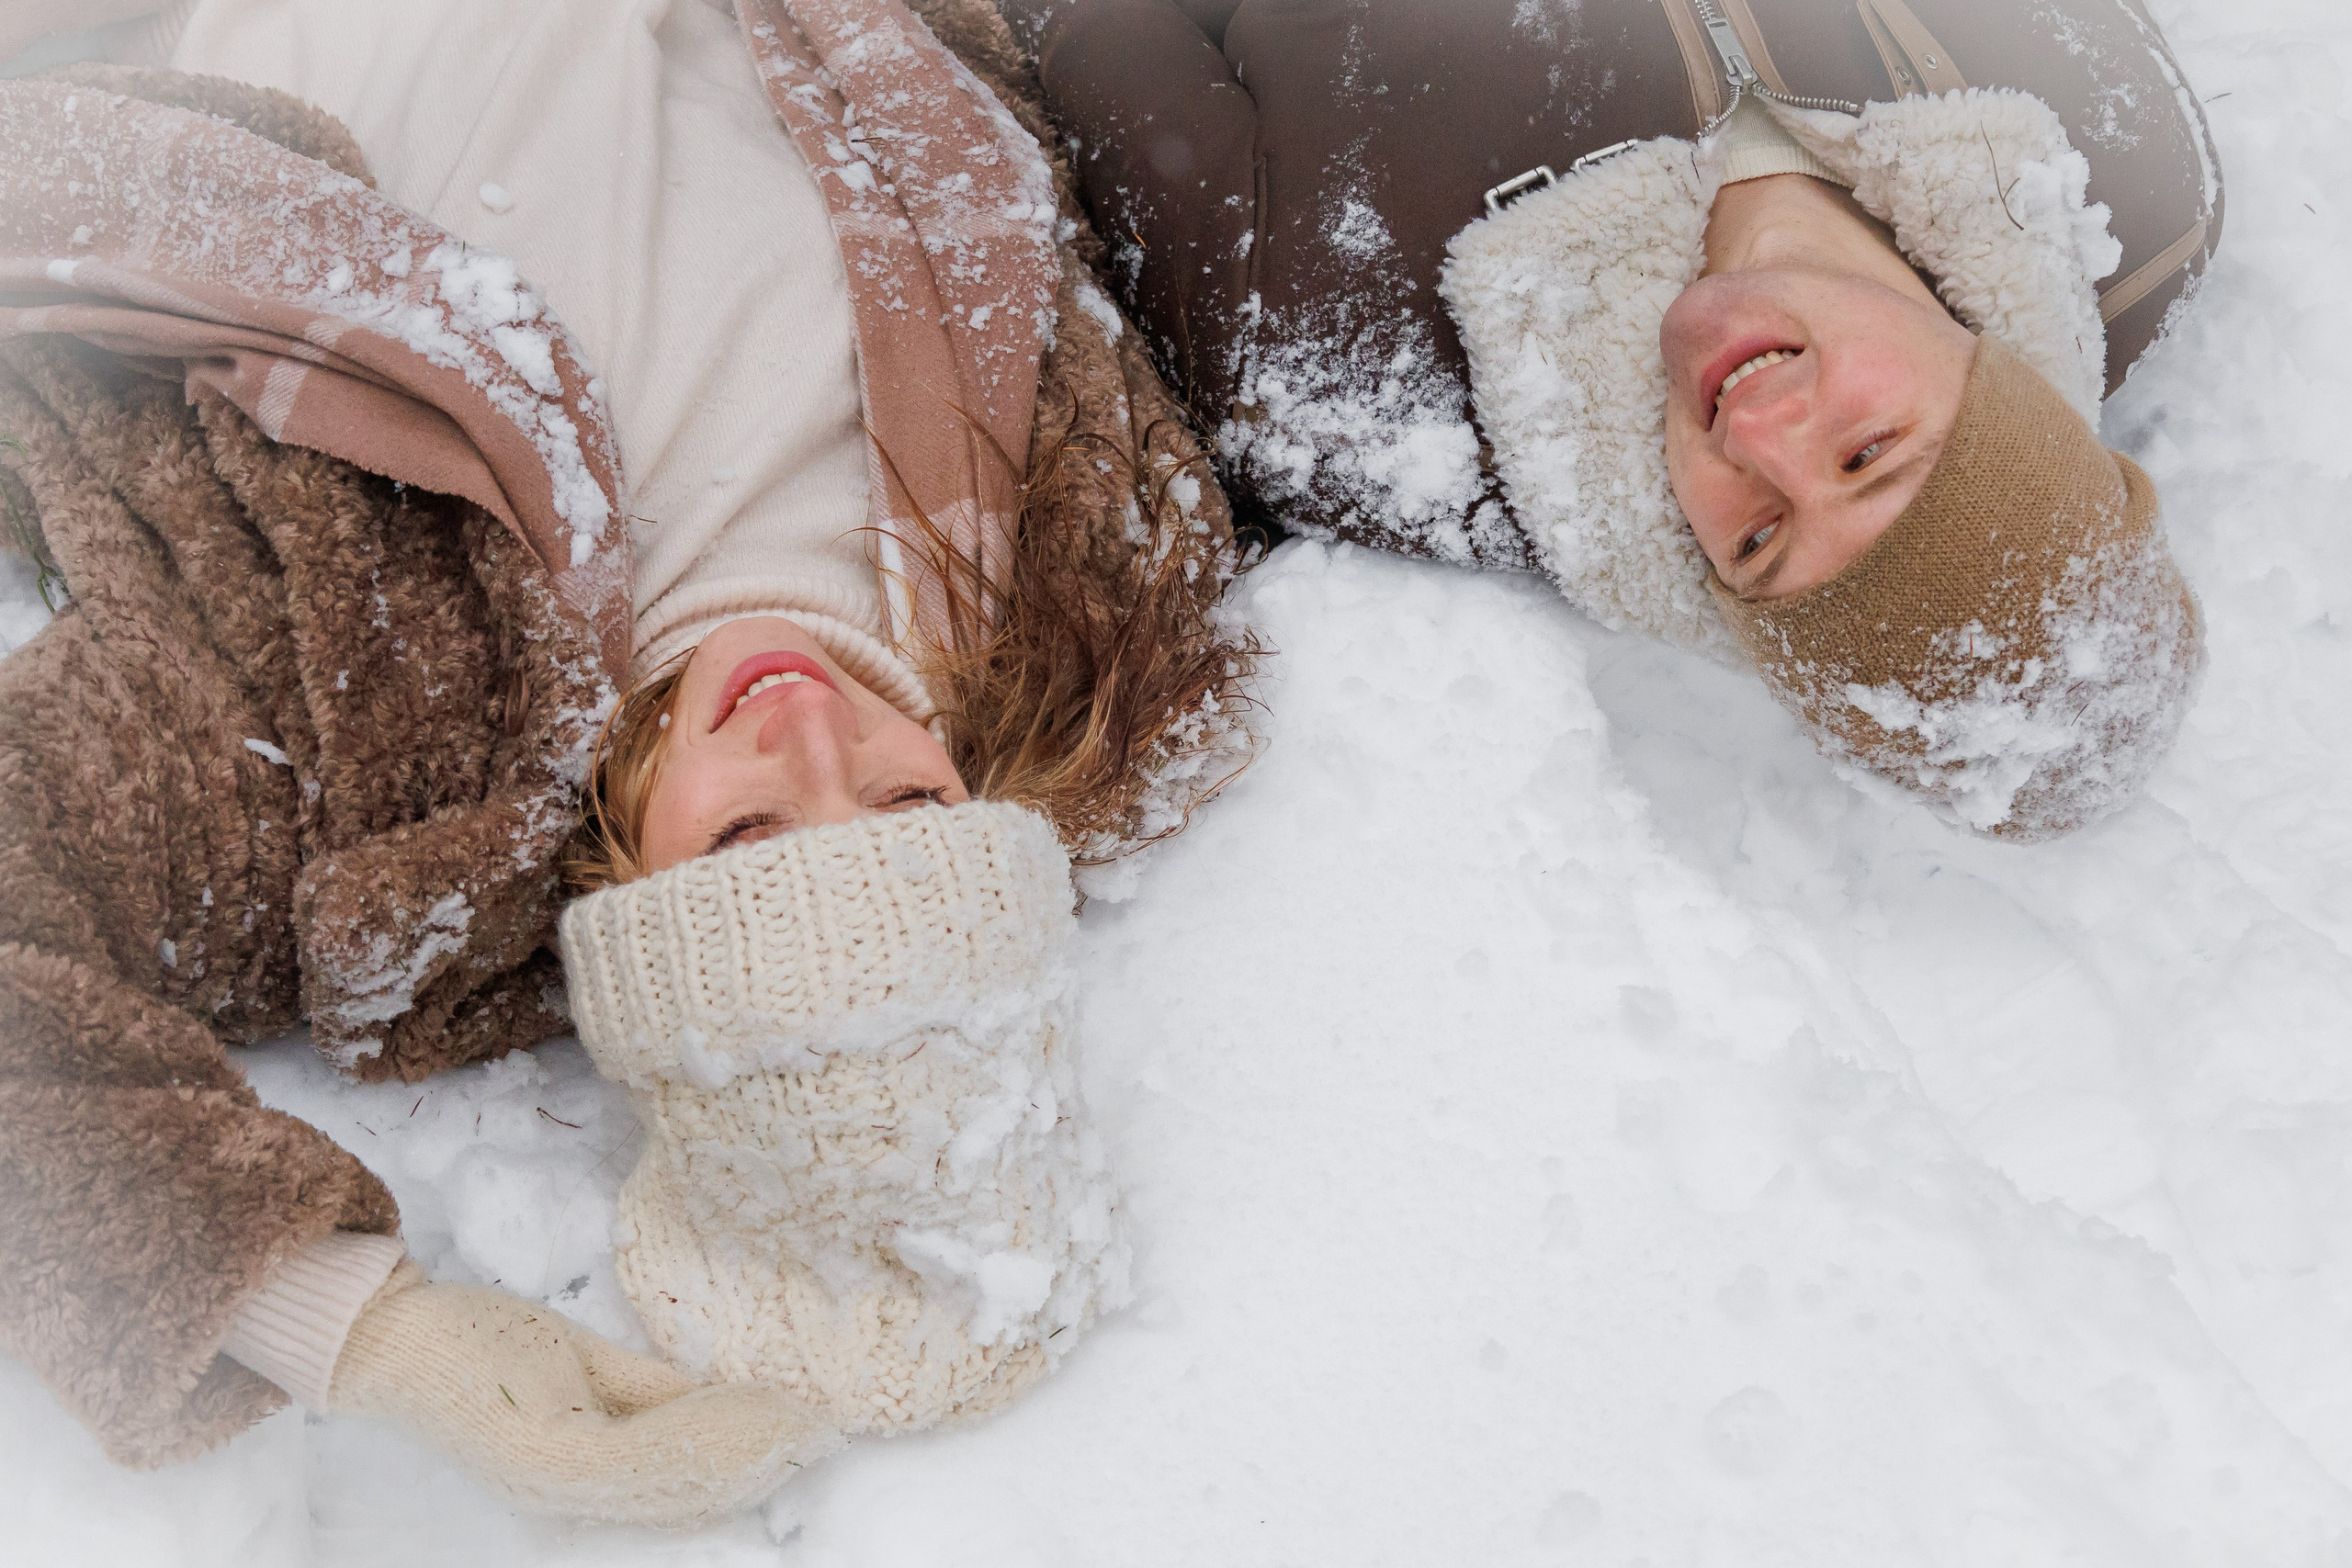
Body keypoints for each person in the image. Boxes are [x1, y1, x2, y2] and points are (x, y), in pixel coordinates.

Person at [0, 0, 1250, 1525]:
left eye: (746, 840)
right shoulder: (1085, 606)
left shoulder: (352, 759)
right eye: (911, 801)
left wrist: (352, 1327)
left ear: (629, 903)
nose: (808, 729)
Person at [1002, 0, 2219, 839]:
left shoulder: (1342, 370)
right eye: (1867, 452)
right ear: (2003, 387)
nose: (1759, 439)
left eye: (1757, 542)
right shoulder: (2126, 164)